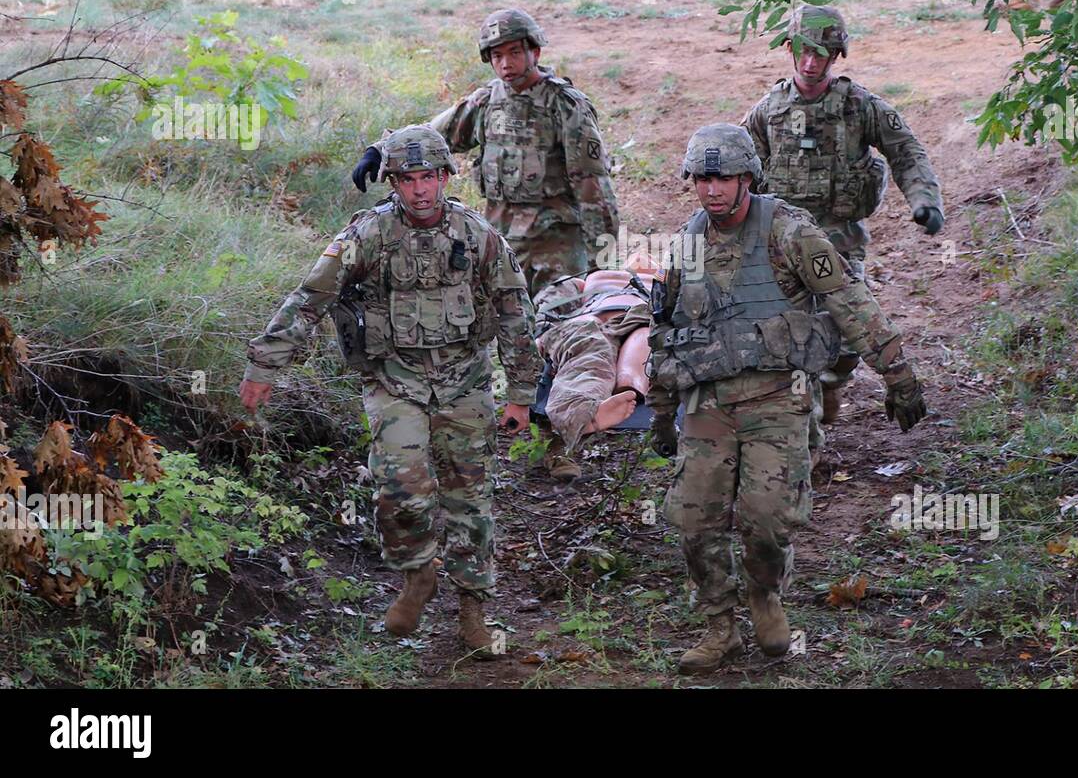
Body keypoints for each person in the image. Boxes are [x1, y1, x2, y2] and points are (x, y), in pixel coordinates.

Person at [241, 125, 541, 656]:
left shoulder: (478, 236)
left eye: (429, 177)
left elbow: (516, 310)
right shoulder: (368, 234)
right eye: (407, 179)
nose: (420, 190)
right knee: (400, 488)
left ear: (446, 177)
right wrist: (265, 364)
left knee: (469, 496)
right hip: (393, 379)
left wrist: (520, 391)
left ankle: (472, 610)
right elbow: (311, 297)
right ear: (393, 183)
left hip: (464, 380)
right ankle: (418, 577)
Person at [647, 124, 927, 675]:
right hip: (709, 402)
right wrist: (661, 410)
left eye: (723, 177)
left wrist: (897, 373)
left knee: (767, 521)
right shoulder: (687, 245)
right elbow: (668, 329)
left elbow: (849, 301)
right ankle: (719, 628)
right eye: (702, 179)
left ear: (747, 176)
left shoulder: (790, 232)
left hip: (779, 398)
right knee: (695, 521)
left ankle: (765, 593)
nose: (712, 190)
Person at [743, 1, 944, 430]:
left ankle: (831, 387)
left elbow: (906, 150)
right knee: (788, 338)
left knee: (849, 335)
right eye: (805, 51)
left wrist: (925, 201)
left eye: (822, 54)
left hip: (840, 242)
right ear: (791, 48)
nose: (811, 62)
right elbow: (740, 170)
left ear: (836, 57)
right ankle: (802, 431)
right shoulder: (769, 110)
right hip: (781, 246)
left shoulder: (859, 107)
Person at [351, 8, 620, 295]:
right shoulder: (487, 103)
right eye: (497, 56)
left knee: (559, 327)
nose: (506, 64)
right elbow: (431, 136)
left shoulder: (565, 106)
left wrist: (603, 266)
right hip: (499, 246)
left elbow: (594, 190)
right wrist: (380, 151)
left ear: (536, 52)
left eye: (515, 52)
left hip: (556, 251)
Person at [531, 265, 655, 481]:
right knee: (590, 351)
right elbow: (554, 295)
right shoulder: (593, 277)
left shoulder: (663, 276)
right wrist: (543, 328)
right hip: (590, 317)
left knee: (638, 350)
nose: (641, 253)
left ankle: (621, 394)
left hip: (641, 320)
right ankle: (588, 415)